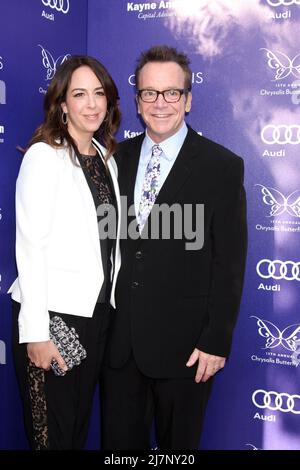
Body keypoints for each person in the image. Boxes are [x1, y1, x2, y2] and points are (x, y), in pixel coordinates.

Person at [100, 45, 247, 450]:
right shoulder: (115, 158)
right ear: (137, 101)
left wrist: (217, 339)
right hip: (121, 347)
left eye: (171, 93)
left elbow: (229, 263)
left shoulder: (222, 166)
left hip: (187, 352)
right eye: (150, 93)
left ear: (188, 100)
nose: (160, 103)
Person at [8, 55, 121, 450]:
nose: (91, 104)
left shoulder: (107, 159)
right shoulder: (44, 156)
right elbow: (31, 246)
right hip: (54, 317)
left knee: (74, 431)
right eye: (79, 94)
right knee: (51, 435)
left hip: (94, 314)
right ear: (62, 104)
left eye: (98, 93)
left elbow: (107, 239)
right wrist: (37, 332)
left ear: (109, 101)